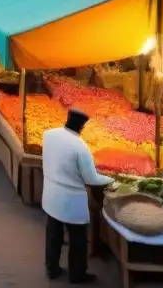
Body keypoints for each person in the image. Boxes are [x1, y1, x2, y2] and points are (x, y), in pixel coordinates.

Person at [42, 109, 113, 283]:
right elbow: (91, 178)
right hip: (71, 199)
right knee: (78, 239)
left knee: (53, 233)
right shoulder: (80, 147)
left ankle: (52, 268)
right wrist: (112, 179)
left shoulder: (49, 134)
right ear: (82, 126)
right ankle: (77, 274)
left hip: (51, 191)